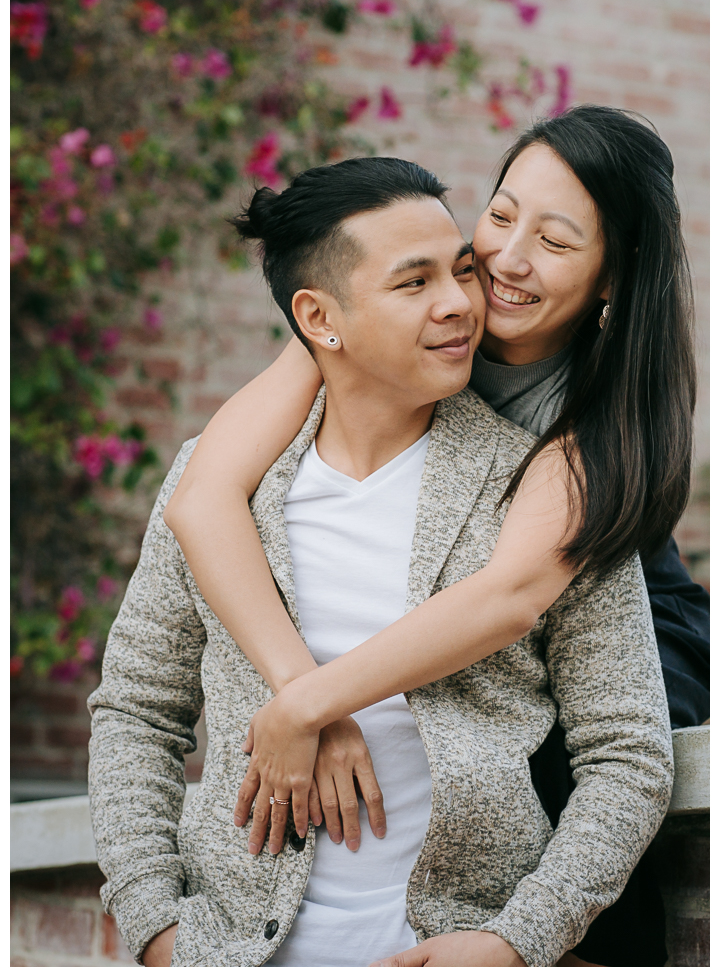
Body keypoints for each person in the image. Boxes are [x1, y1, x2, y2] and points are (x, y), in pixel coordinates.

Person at [88, 156, 674, 969]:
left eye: (459, 271)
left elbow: (628, 753)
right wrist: (157, 929)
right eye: (413, 283)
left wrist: (517, 939)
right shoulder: (229, 478)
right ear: (321, 319)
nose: (463, 302)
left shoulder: (548, 489)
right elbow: (138, 713)